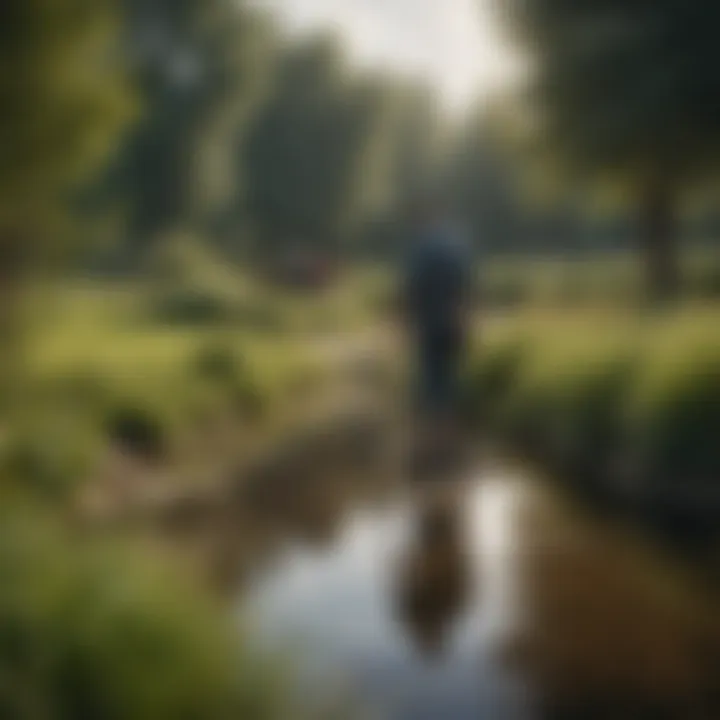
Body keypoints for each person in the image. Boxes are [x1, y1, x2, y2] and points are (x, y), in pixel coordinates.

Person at [400, 193, 472, 470]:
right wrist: (466, 317)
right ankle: (452, 445)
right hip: (453, 321)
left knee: (431, 380)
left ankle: (433, 447)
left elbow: (412, 288)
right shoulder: (456, 244)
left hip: (430, 322)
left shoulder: (420, 248)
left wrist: (406, 321)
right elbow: (466, 285)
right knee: (451, 375)